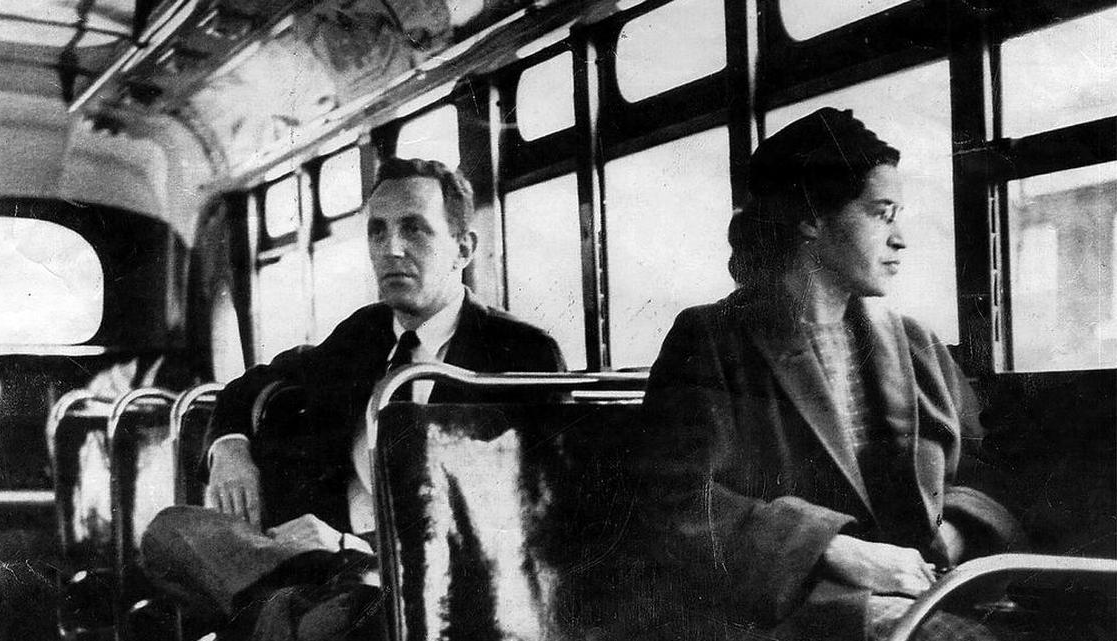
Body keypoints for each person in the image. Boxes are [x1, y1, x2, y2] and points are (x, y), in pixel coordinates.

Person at [633, 108, 1024, 641]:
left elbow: (983, 467)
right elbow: (673, 501)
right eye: (882, 213)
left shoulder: (916, 344)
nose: (901, 238)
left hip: (926, 588)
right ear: (812, 217)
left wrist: (954, 532)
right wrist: (836, 550)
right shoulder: (713, 339)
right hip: (790, 607)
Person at [142, 157, 564, 640]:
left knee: (319, 622)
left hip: (436, 579)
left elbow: (527, 523)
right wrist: (231, 449)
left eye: (415, 229)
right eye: (377, 232)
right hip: (321, 562)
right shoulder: (363, 334)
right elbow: (255, 382)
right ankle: (293, 605)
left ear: (463, 248)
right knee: (169, 531)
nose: (391, 248)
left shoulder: (519, 350)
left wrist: (353, 548)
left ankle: (284, 609)